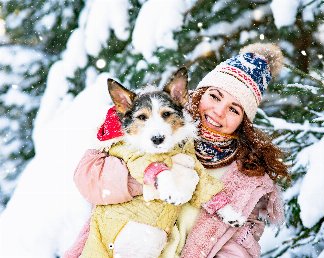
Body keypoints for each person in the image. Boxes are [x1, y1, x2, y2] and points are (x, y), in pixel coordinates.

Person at [64, 42, 289, 258]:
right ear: (198, 93)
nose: (218, 112)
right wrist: (157, 180)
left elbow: (239, 249)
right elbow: (87, 178)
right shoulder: (144, 127)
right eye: (214, 96)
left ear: (243, 122)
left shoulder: (248, 179)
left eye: (234, 109)